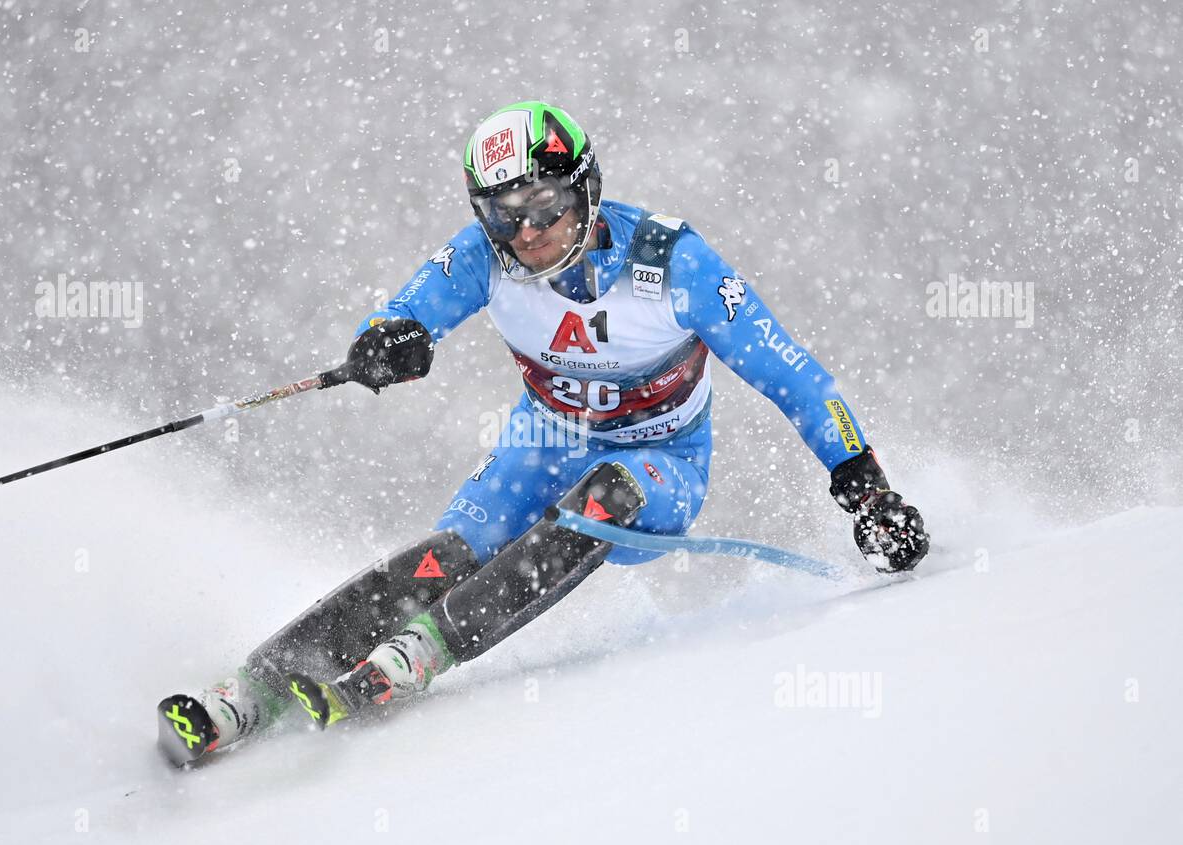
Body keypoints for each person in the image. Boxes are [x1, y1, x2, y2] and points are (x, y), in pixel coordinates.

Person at [157, 100, 929, 765]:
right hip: (547, 439)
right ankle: (249, 692)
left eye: (547, 206)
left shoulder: (676, 264)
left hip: (662, 460)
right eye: (504, 214)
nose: (528, 233)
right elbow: (407, 311)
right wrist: (388, 341)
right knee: (452, 550)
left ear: (586, 189)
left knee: (608, 494)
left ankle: (423, 651)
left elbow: (795, 377)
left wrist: (868, 490)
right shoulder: (482, 259)